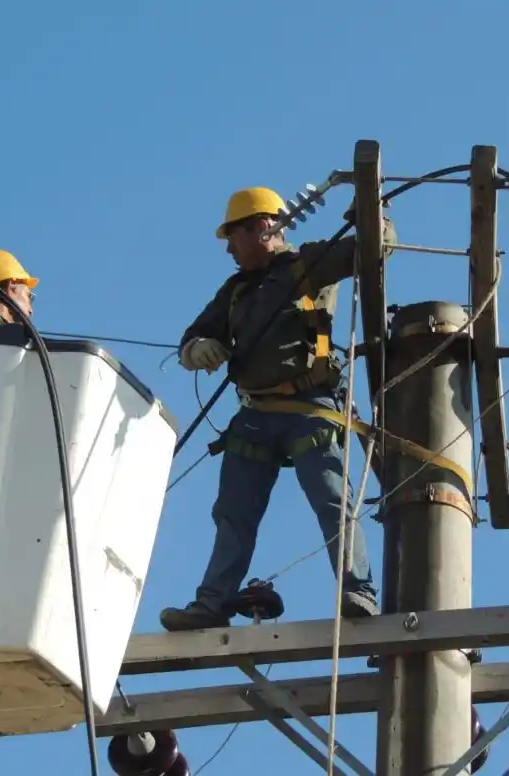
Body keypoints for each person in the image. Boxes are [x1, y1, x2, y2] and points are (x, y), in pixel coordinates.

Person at [159, 186, 397, 632]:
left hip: (309, 408)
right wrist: (198, 348)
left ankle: (358, 590)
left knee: (332, 500)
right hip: (255, 417)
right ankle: (212, 604)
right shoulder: (234, 291)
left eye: (233, 236)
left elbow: (373, 250)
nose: (229, 249)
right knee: (233, 513)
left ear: (262, 228)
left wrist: (373, 213)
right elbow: (192, 337)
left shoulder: (308, 264)